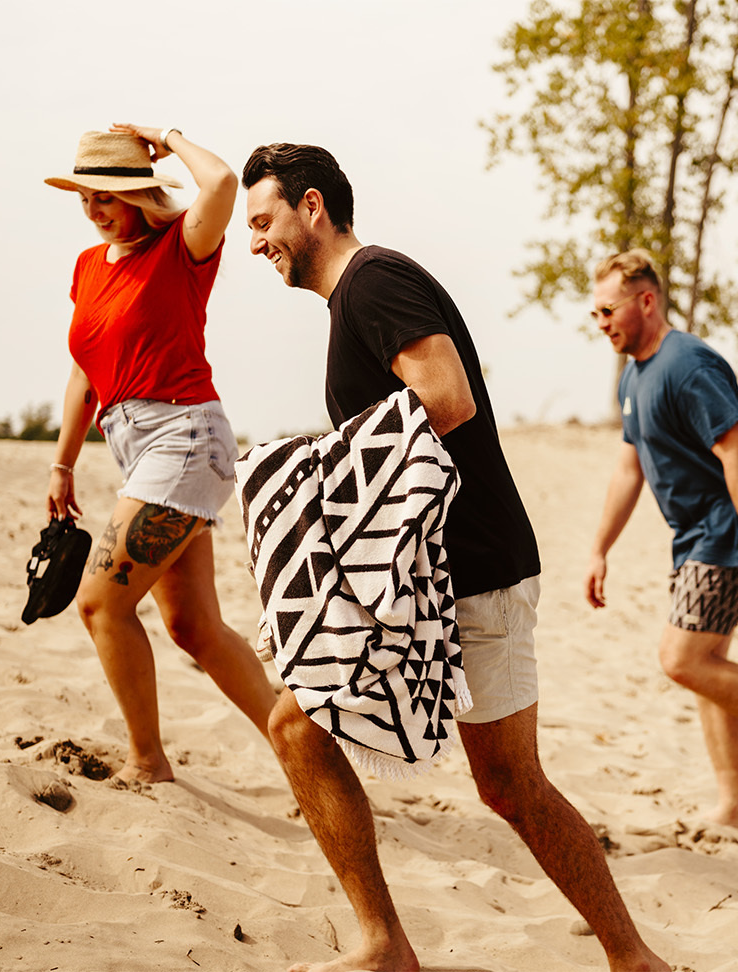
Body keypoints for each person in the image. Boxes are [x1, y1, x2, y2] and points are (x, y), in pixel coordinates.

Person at [241, 143, 667, 972]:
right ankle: (384, 944)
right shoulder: (353, 299)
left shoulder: (375, 282)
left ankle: (632, 956)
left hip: (474, 574)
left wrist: (320, 469)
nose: (256, 243)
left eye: (263, 222)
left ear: (313, 206)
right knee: (297, 724)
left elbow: (446, 396)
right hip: (416, 585)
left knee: (512, 787)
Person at [43, 124, 275, 786]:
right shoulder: (89, 268)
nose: (94, 211)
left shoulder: (182, 246)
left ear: (141, 194)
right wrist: (62, 462)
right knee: (194, 626)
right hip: (134, 447)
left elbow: (224, 182)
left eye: (107, 197)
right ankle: (306, 750)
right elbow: (84, 373)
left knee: (100, 603)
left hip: (185, 439)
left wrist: (166, 138)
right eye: (85, 198)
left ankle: (148, 762)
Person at [584, 248, 738, 828]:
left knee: (682, 661)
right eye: (594, 314)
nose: (600, 324)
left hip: (721, 535)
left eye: (607, 310)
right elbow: (631, 467)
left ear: (646, 300)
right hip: (692, 538)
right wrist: (600, 549)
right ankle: (732, 806)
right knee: (709, 665)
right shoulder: (635, 373)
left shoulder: (688, 364)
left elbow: (734, 451)